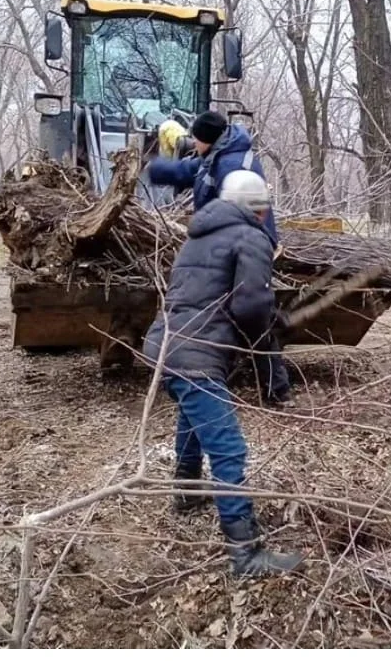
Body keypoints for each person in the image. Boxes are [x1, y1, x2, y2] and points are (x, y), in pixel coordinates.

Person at [142, 170, 303, 578]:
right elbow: (251, 306)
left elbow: (209, 295)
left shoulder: (198, 234)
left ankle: (186, 492)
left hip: (164, 346)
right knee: (229, 447)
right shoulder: (251, 238)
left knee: (194, 418)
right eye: (265, 205)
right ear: (257, 207)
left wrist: (265, 319)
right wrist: (270, 327)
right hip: (195, 352)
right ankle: (245, 553)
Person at [149, 111, 292, 407]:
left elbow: (242, 214)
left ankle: (275, 389)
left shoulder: (232, 167)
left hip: (247, 242)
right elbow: (189, 171)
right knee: (229, 309)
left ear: (208, 140)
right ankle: (210, 375)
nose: (194, 145)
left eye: (197, 140)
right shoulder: (218, 154)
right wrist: (149, 168)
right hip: (226, 241)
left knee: (253, 313)